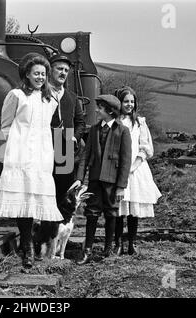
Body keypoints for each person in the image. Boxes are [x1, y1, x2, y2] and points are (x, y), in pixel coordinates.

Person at [0, 52, 63, 268]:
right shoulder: (16, 95)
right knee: (23, 199)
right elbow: (5, 125)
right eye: (36, 73)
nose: (40, 77)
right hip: (20, 152)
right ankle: (28, 246)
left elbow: (52, 125)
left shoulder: (51, 99)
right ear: (27, 75)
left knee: (35, 198)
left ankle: (32, 241)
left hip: (42, 153)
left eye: (43, 74)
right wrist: (15, 146)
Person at [33, 55, 85, 260]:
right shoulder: (39, 94)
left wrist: (75, 137)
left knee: (63, 196)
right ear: (50, 71)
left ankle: (55, 244)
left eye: (66, 70)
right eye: (58, 69)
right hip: (45, 151)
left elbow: (80, 122)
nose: (63, 73)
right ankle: (41, 243)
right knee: (44, 195)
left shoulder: (72, 97)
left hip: (65, 152)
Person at [71, 94, 132, 265]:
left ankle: (108, 250)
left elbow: (126, 161)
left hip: (112, 182)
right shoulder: (94, 130)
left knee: (111, 213)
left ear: (110, 111)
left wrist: (121, 186)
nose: (96, 110)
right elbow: (85, 155)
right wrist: (79, 178)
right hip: (95, 180)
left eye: (100, 108)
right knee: (91, 213)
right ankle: (87, 251)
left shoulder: (122, 131)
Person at [113, 86, 162, 255]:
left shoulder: (139, 122)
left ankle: (132, 243)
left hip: (136, 169)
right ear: (119, 102)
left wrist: (134, 165)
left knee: (134, 209)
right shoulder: (115, 121)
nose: (129, 105)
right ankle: (117, 243)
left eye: (132, 102)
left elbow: (145, 147)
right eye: (126, 101)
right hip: (118, 168)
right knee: (119, 209)